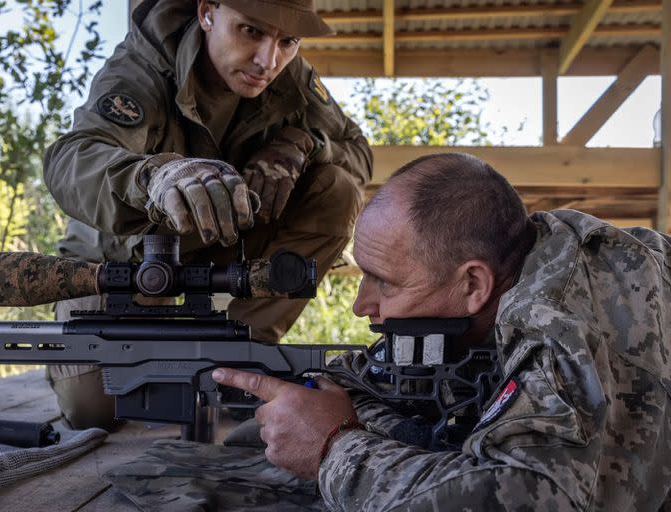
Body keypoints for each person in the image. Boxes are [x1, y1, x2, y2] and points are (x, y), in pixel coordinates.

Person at [203, 152, 671, 510]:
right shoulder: (527, 253)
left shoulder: (556, 320)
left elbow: (528, 496)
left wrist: (333, 450)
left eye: (385, 282)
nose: (361, 305)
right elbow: (370, 379)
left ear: (473, 284)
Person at [42, 0, 372, 429]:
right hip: (118, 261)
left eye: (288, 41)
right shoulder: (144, 65)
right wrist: (154, 177)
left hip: (222, 251)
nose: (267, 61)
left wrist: (302, 144)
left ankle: (243, 352)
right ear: (207, 13)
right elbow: (71, 160)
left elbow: (359, 156)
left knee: (338, 189)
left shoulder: (291, 76)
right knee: (95, 411)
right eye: (251, 31)